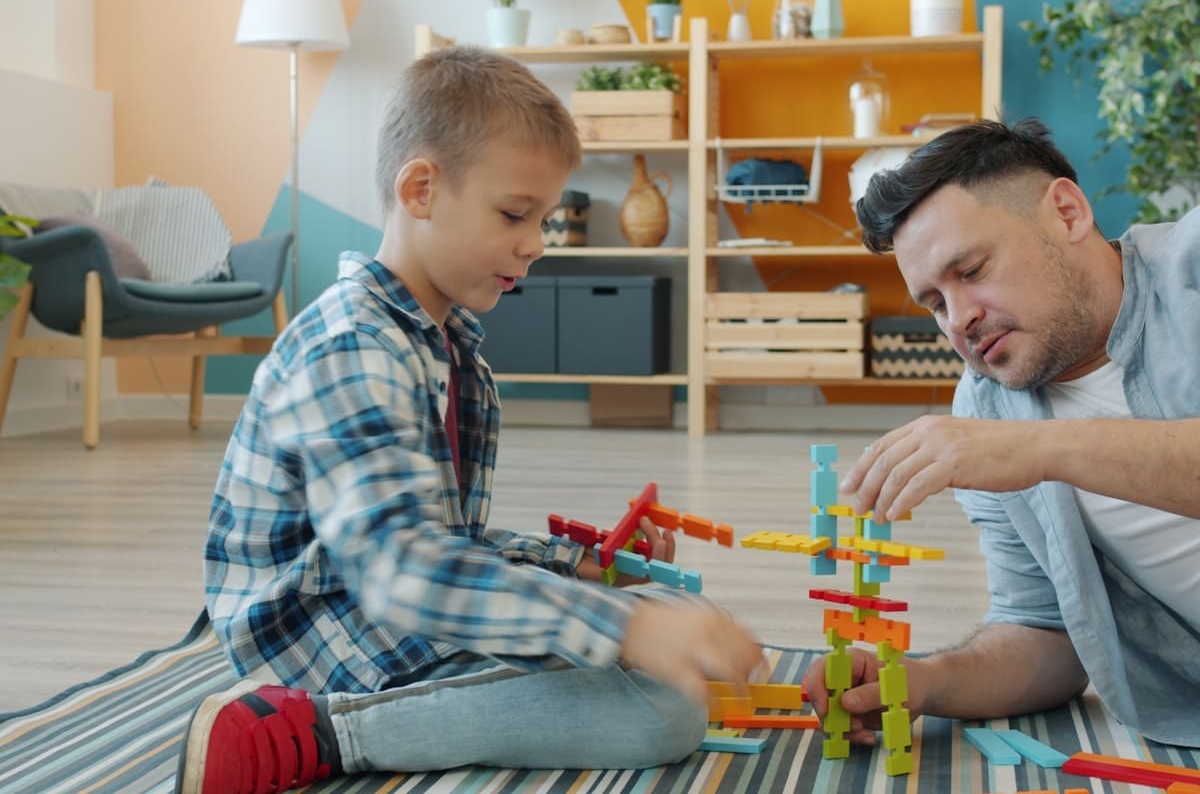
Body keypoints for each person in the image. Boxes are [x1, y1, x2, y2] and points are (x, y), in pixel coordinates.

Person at [175, 46, 763, 794]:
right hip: (316, 633)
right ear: (421, 189)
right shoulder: (355, 348)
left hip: (382, 599)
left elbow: (444, 539)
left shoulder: (449, 349)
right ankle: (317, 733)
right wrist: (624, 626)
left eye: (544, 218)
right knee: (661, 710)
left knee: (671, 620)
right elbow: (401, 568)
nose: (537, 242)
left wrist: (576, 566)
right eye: (515, 214)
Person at [803, 117, 1200, 749]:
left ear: (1067, 213)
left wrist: (1038, 452)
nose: (960, 320)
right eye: (934, 302)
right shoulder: (986, 411)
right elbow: (1045, 634)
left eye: (974, 269)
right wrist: (918, 681)